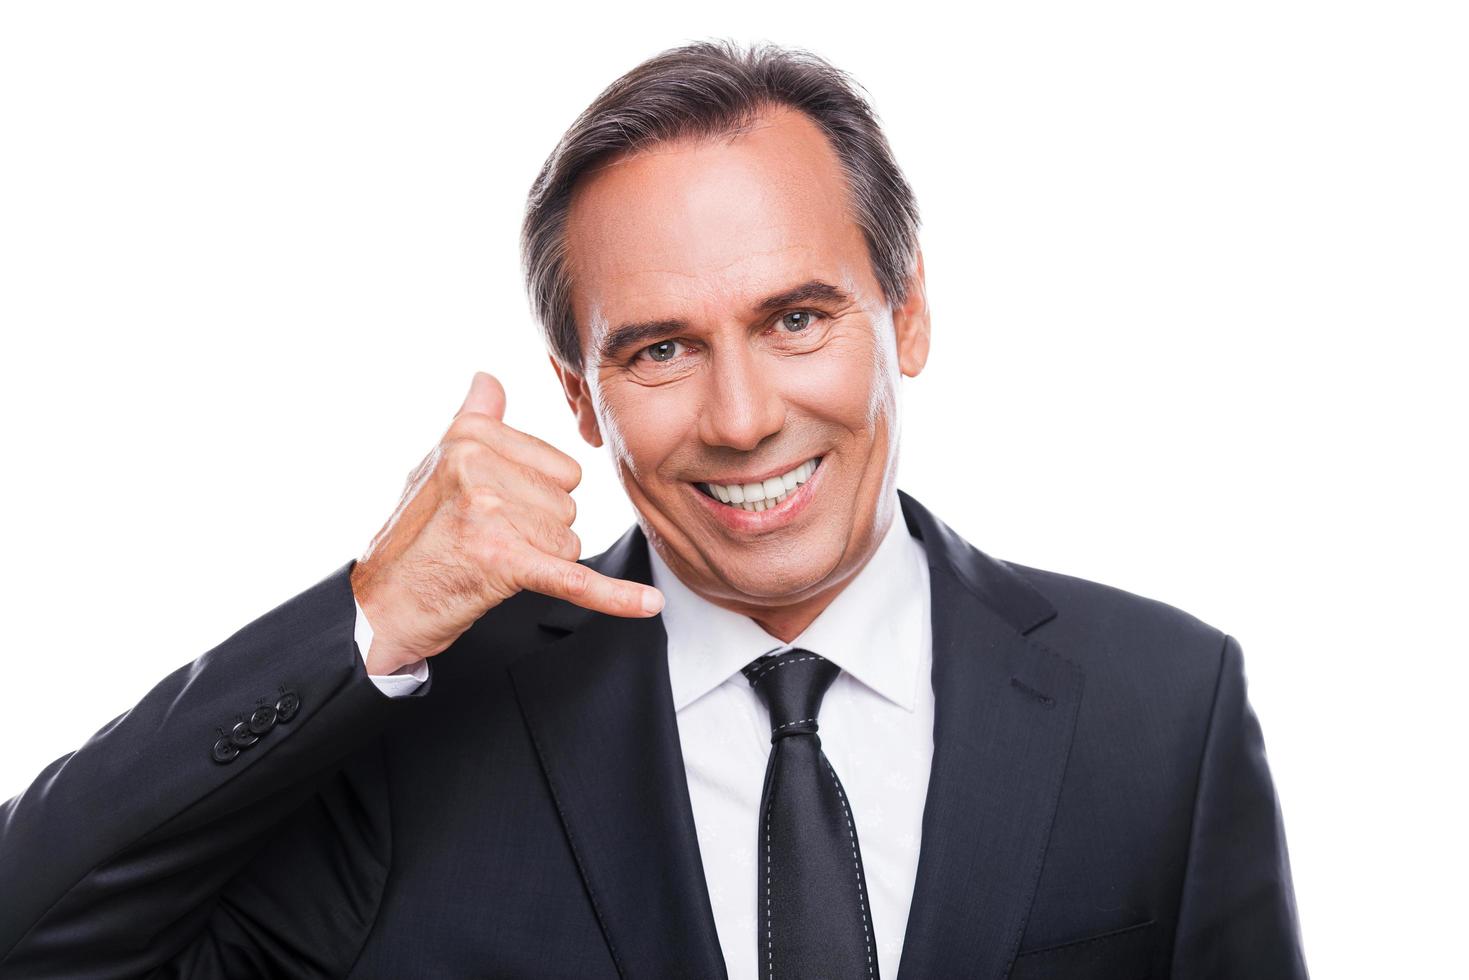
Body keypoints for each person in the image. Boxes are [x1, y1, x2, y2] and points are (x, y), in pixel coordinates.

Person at [0, 38, 1307, 980]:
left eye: (795, 321)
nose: (739, 417)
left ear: (903, 317)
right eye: (660, 351)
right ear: (581, 396)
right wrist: (367, 620)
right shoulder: (428, 740)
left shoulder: (1160, 706)